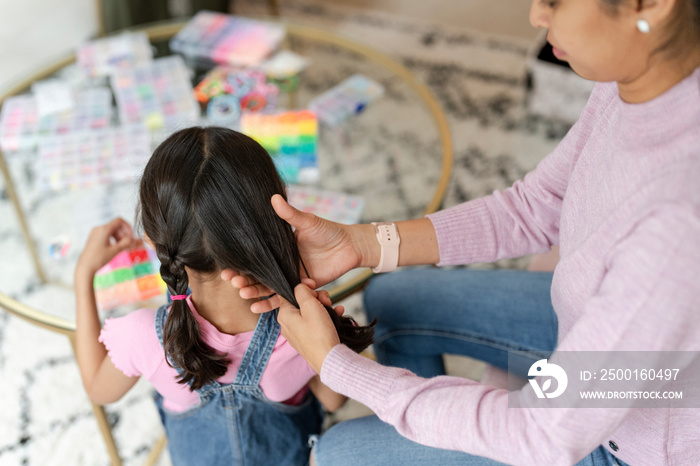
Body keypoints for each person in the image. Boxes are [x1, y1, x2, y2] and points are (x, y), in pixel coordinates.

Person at [226, 0, 700, 464]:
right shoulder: (639, 80)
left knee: (336, 454)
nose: (536, 16)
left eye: (554, 1)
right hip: (591, 330)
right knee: (396, 297)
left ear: (652, 5)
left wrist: (339, 368)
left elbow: (545, 436)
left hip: (626, 435)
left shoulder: (678, 221)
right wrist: (360, 243)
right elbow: (535, 206)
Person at [74, 127, 375, 465]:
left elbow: (97, 389)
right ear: (275, 222)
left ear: (155, 242)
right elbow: (333, 401)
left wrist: (83, 275)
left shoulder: (143, 335)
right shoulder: (302, 326)